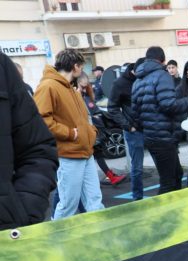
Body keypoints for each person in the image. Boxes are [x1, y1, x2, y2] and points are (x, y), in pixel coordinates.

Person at [34, 49, 104, 219]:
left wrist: (90, 132)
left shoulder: (70, 88)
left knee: (95, 202)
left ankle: (100, 233)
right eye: (82, 66)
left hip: (85, 152)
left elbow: (83, 119)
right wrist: (71, 134)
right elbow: (40, 120)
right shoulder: (48, 86)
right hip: (69, 155)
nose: (83, 70)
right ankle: (57, 236)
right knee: (68, 205)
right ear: (75, 66)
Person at [0, 52, 58, 230]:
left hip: (6, 234)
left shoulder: (2, 67)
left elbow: (37, 148)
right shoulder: (49, 86)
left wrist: (23, 211)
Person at [131, 46, 188, 194]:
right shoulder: (162, 76)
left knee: (176, 175)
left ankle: (175, 206)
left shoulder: (137, 81)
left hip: (151, 136)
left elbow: (135, 113)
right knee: (169, 182)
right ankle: (164, 208)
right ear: (163, 60)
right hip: (163, 137)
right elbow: (169, 105)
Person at [76, 72, 127, 186]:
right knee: (91, 157)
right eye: (82, 86)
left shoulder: (86, 96)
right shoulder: (76, 97)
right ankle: (107, 178)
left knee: (97, 155)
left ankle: (110, 177)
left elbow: (93, 112)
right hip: (88, 132)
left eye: (86, 86)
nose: (84, 89)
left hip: (94, 130)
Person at [108, 58, 146, 200]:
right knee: (137, 167)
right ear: (135, 71)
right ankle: (137, 198)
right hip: (134, 131)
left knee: (162, 162)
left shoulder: (146, 78)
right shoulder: (120, 83)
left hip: (151, 127)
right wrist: (128, 126)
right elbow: (112, 108)